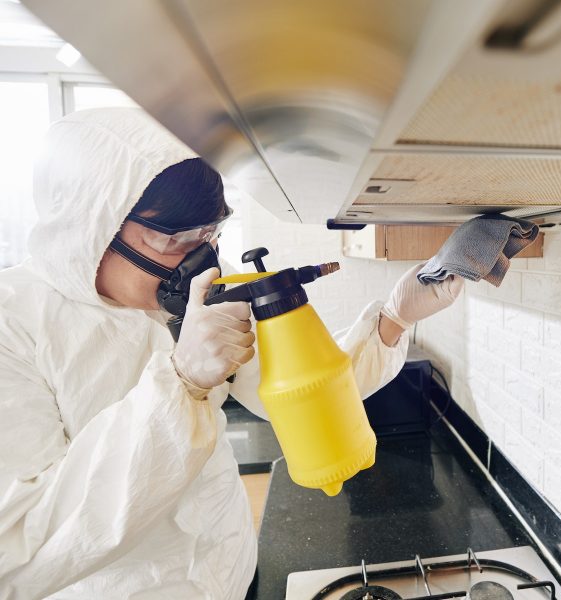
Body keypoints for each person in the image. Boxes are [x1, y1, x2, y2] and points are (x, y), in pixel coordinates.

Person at [0, 108, 463, 599]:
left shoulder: (181, 300)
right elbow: (22, 545)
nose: (202, 257)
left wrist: (395, 319)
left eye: (208, 235)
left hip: (233, 572)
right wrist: (182, 386)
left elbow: (302, 393)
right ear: (90, 224)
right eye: (175, 238)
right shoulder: (16, 323)